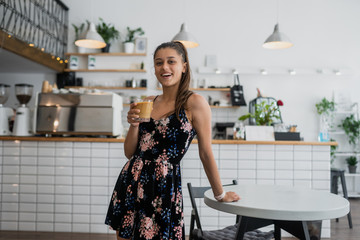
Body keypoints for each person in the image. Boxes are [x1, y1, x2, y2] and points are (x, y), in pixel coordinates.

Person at [105, 41, 240, 240]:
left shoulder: (195, 103)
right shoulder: (148, 102)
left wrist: (220, 194)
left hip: (164, 186)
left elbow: (205, 153)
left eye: (171, 61)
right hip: (131, 181)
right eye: (159, 63)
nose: (164, 67)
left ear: (184, 66)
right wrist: (133, 126)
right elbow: (130, 153)